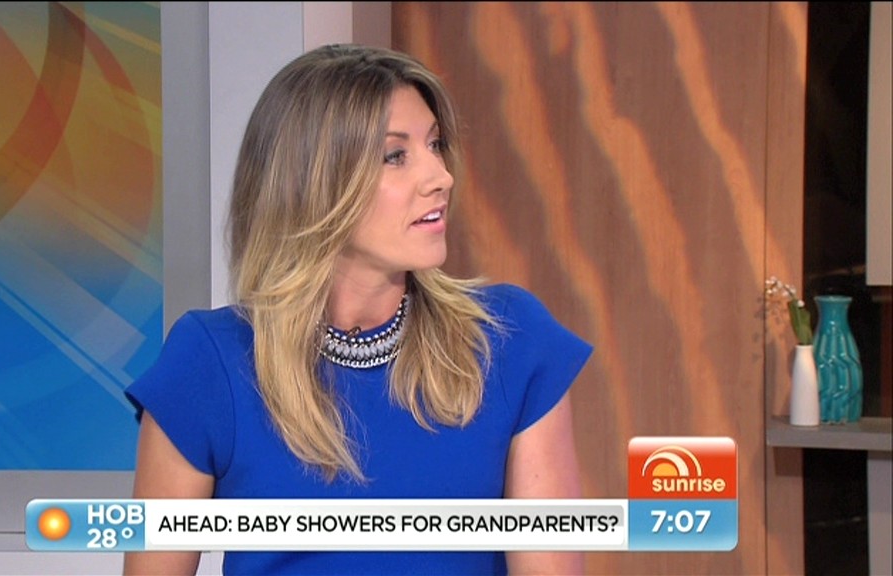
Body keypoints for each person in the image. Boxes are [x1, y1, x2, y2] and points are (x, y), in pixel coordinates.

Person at [123, 43, 592, 576]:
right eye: (396, 156)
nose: (441, 176)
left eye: (435, 145)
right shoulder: (210, 362)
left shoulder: (509, 342)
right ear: (314, 183)